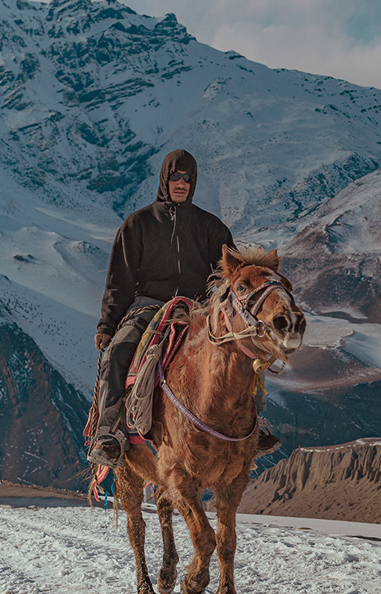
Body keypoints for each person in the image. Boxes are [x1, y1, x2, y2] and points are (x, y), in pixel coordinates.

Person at [87, 149, 278, 468]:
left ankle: (255, 427)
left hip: (198, 310)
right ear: (164, 179)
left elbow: (230, 276)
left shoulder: (211, 228)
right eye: (175, 176)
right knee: (118, 352)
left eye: (187, 178)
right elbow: (119, 281)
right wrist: (108, 326)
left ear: (194, 182)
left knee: (245, 349)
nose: (181, 183)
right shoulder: (137, 225)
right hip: (148, 307)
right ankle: (109, 434)